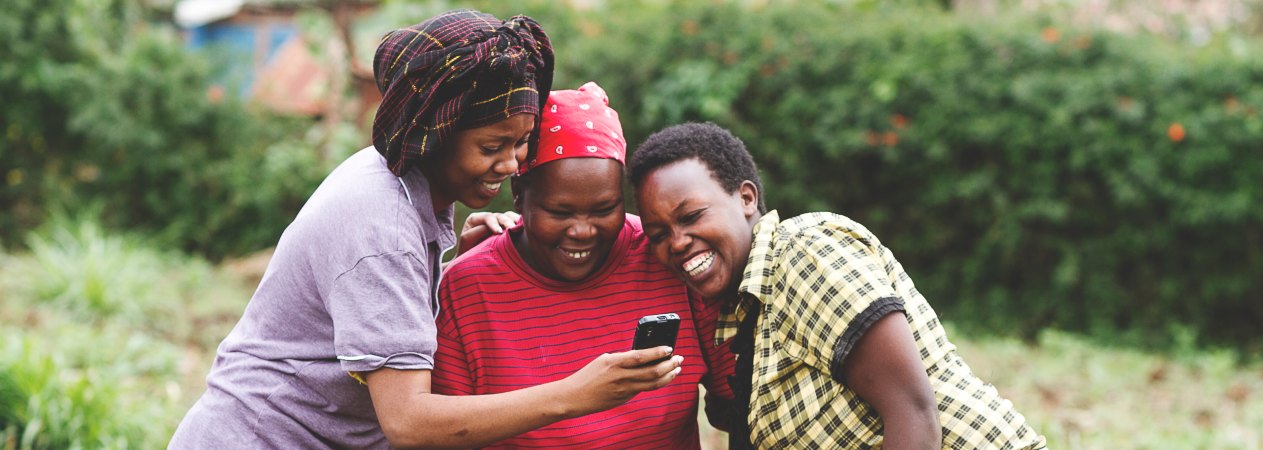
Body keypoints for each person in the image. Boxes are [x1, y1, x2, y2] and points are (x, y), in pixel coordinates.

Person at [171, 11, 677, 449]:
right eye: (490, 146)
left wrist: (441, 275)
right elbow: (410, 423)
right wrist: (577, 394)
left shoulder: (406, 187)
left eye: (521, 142)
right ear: (436, 133)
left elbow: (375, 313)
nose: (510, 164)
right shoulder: (380, 221)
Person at [629, 123, 1048, 450]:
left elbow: (913, 413)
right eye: (659, 233)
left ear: (746, 199)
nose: (678, 242)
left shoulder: (804, 251)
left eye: (691, 216)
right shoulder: (746, 314)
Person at [430, 82, 729, 448]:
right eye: (560, 212)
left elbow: (733, 400)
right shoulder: (467, 288)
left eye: (605, 209)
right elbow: (441, 433)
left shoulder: (665, 256)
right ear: (519, 196)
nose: (583, 231)